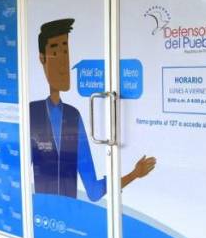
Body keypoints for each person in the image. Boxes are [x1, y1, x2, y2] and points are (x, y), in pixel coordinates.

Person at [30, 18, 155, 200]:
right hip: (40, 211)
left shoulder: (73, 116)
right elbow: (18, 172)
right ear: (42, 58)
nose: (63, 63)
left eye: (66, 52)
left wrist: (134, 174)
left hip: (70, 213)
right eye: (55, 53)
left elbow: (94, 191)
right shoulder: (32, 112)